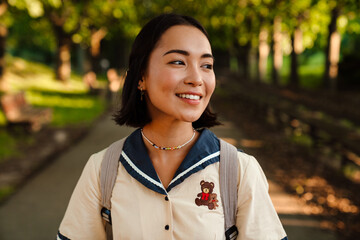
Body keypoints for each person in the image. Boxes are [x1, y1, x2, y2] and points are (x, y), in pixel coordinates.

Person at [57, 13, 288, 240]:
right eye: (178, 62)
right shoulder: (102, 170)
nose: (196, 78)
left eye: (206, 65)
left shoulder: (239, 171)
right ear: (141, 77)